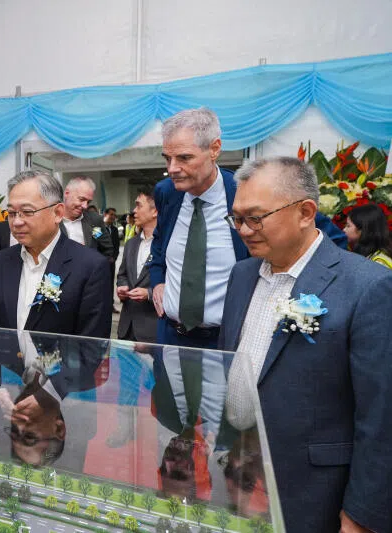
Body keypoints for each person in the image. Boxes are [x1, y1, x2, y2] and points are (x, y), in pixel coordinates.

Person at [220, 156, 392, 533]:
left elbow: (381, 416)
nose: (244, 230)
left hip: (314, 492)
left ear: (305, 212)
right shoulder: (242, 274)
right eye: (236, 218)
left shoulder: (367, 286)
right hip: (240, 473)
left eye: (256, 217)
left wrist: (362, 515)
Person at [148, 107, 347, 349]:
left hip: (230, 340)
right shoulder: (167, 192)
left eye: (184, 158)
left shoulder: (247, 192)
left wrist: (299, 301)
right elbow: (159, 244)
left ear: (214, 149)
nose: (172, 168)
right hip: (170, 337)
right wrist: (158, 280)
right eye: (167, 158)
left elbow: (328, 238)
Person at [0, 170, 112, 338]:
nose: (17, 222)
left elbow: (92, 346)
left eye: (27, 212)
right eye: (11, 213)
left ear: (57, 213)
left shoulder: (91, 267)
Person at [116, 190, 158, 342]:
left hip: (153, 331)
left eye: (139, 206)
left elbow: (177, 287)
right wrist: (122, 287)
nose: (134, 211)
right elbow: (122, 275)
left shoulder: (168, 246)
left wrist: (149, 294)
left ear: (155, 211)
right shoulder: (131, 244)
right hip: (126, 329)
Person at [61, 176, 116, 262]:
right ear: (67, 193)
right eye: (81, 199)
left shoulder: (94, 222)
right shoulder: (49, 220)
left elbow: (107, 250)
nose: (85, 206)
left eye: (88, 202)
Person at [344, 203, 392, 268]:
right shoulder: (370, 255)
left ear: (363, 229)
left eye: (348, 226)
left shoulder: (379, 263)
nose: (344, 230)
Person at [103, 207, 120, 294]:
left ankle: (111, 304)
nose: (113, 217)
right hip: (101, 262)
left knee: (110, 283)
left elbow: (117, 246)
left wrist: (114, 257)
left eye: (114, 215)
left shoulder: (115, 229)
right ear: (105, 215)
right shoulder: (98, 228)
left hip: (111, 262)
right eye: (111, 214)